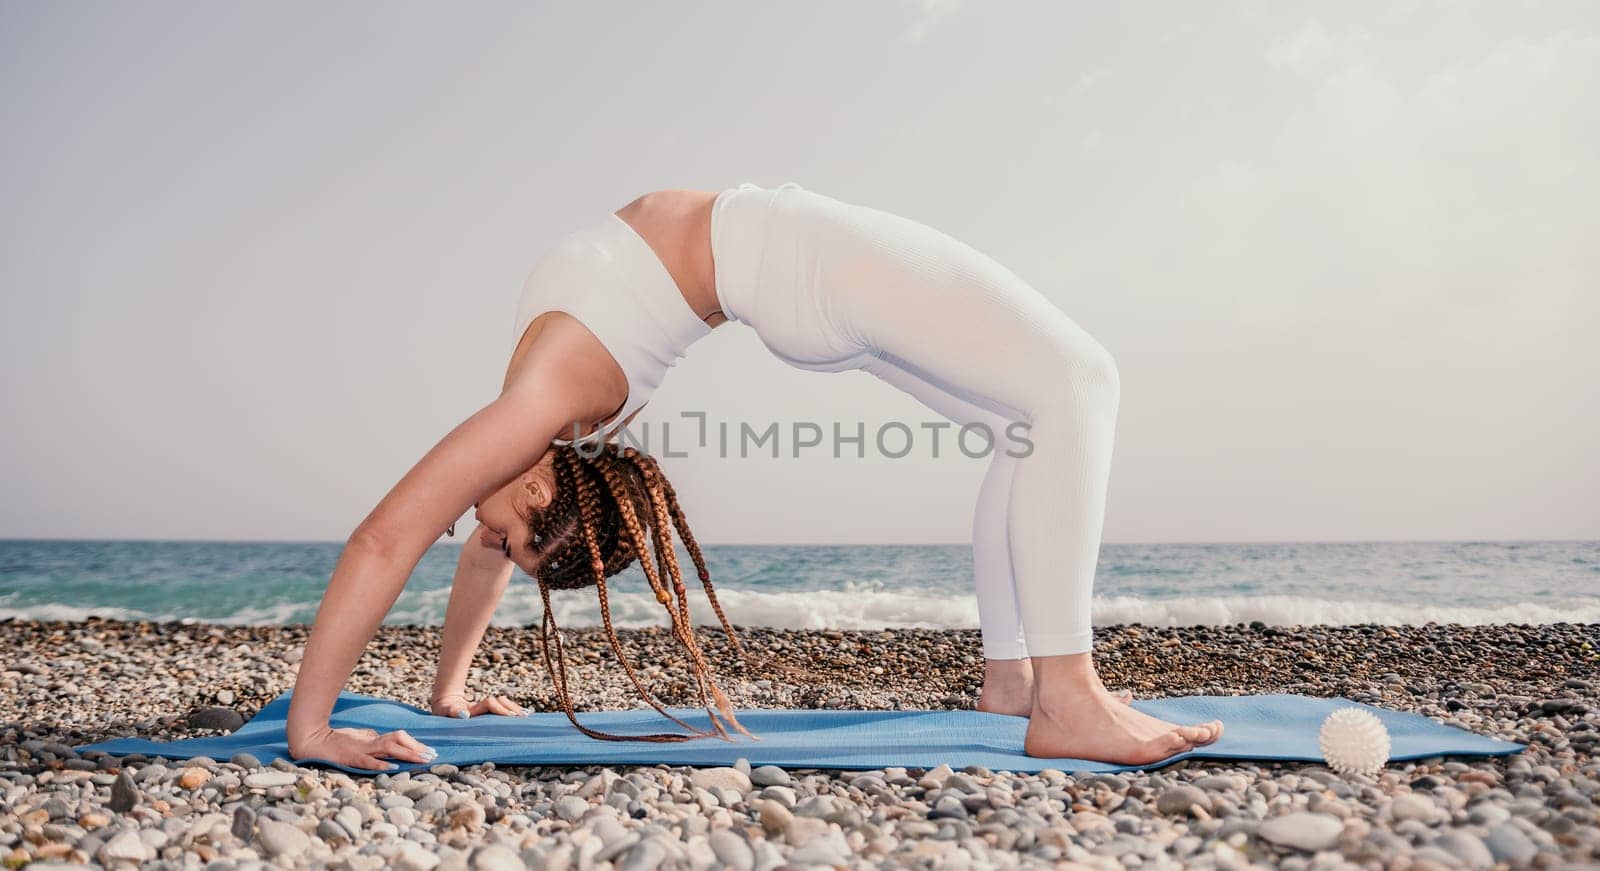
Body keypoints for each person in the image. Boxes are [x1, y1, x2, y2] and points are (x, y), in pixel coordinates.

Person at [285, 182, 1224, 770]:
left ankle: (1018, 683)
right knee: (1079, 378)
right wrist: (375, 713)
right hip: (799, 262)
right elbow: (450, 545)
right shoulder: (538, 423)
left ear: (537, 493)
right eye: (500, 540)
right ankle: (1066, 692)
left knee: (1031, 415)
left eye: (500, 538)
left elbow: (384, 536)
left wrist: (338, 719)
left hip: (791, 272)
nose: (478, 537)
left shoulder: (531, 414)